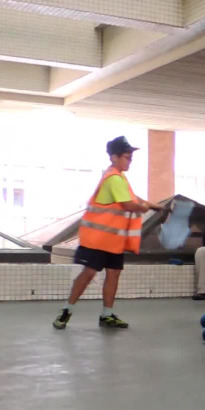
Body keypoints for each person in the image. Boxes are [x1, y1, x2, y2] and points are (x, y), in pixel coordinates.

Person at [52, 136, 163, 330]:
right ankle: (66, 312)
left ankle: (107, 315)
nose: (130, 161)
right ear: (114, 157)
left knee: (113, 274)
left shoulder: (120, 177)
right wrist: (145, 207)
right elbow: (128, 204)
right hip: (97, 240)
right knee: (88, 274)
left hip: (112, 242)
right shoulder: (113, 178)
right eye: (126, 157)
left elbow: (132, 197)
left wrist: (154, 205)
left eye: (130, 158)